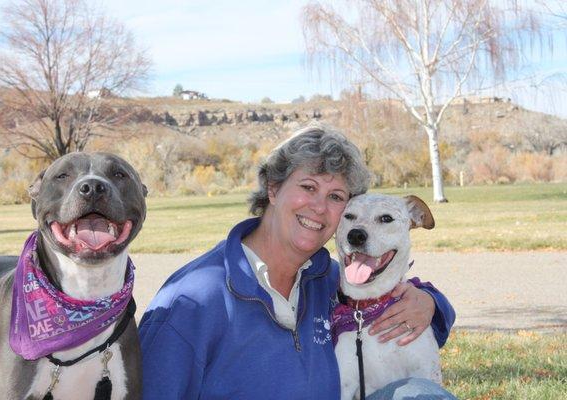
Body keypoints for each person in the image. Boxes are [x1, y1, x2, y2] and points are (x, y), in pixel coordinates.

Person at [139, 125, 456, 399]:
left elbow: (399, 304)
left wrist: (430, 302)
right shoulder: (192, 300)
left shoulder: (329, 281)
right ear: (273, 189)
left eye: (335, 197)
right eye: (308, 187)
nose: (319, 207)